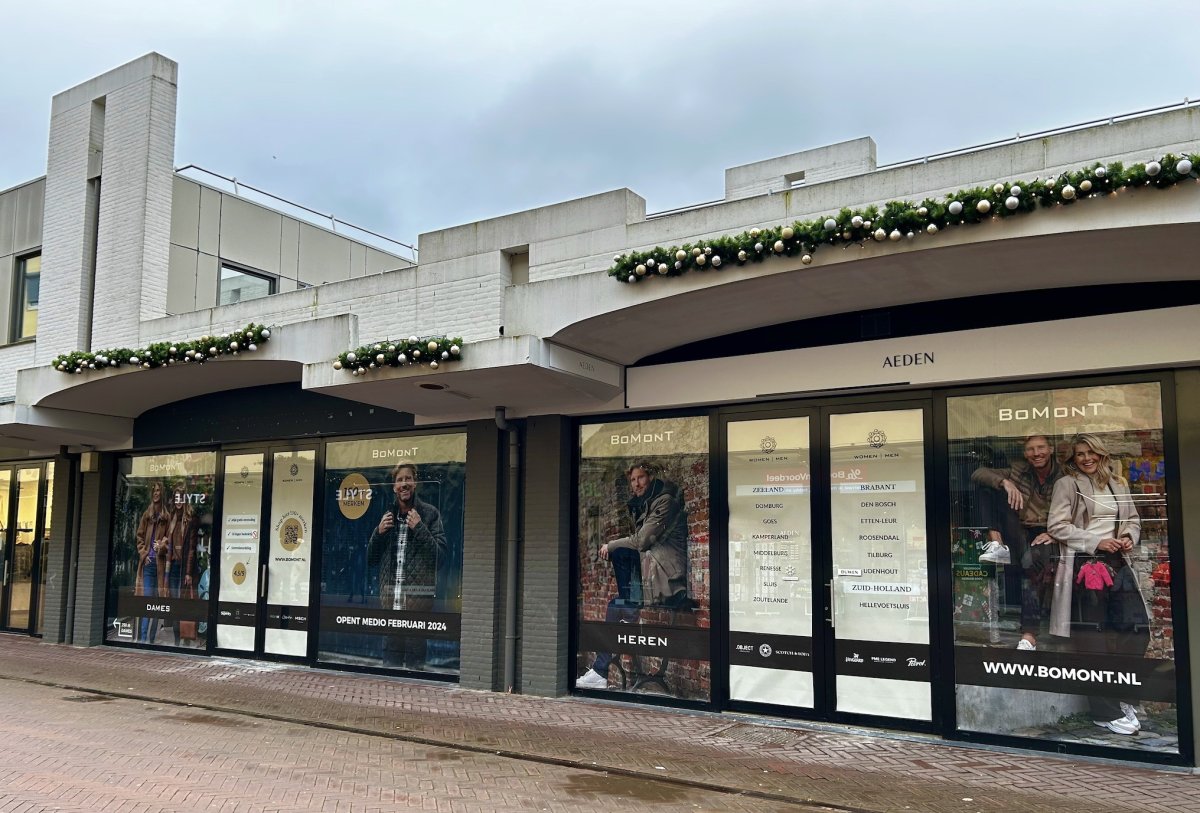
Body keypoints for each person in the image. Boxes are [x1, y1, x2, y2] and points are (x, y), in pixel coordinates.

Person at [1047, 433, 1148, 736]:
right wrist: (1096, 541)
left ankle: (1123, 695)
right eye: (1080, 454)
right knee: (1094, 640)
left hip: (1118, 562)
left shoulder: (1118, 483)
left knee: (1137, 629)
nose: (1086, 458)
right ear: (1073, 458)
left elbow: (1133, 519)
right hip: (1086, 564)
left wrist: (1128, 536)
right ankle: (1104, 712)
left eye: (1091, 453)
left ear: (1102, 455)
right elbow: (1056, 525)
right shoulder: (1067, 484)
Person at [576, 462, 688, 690]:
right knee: (614, 604)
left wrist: (610, 544)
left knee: (621, 552)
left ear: (651, 477)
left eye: (641, 478)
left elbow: (641, 541)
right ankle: (600, 671)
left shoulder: (664, 502)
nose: (636, 484)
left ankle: (628, 612)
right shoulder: (647, 504)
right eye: (633, 480)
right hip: (653, 574)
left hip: (668, 579)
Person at [971, 433, 1062, 650]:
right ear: (1025, 453)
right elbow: (978, 473)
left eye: (1041, 448)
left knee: (1033, 567)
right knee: (986, 487)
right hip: (1019, 529)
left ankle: (1029, 635)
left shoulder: (1063, 475)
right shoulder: (1018, 470)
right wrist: (1005, 482)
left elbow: (1076, 507)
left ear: (1050, 449)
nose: (1036, 453)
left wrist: (1056, 533)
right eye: (1031, 449)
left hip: (1048, 532)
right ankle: (996, 543)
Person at [366, 463, 446, 669]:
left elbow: (440, 560)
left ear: (415, 482)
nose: (404, 483)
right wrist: (378, 533)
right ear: (394, 486)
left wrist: (419, 528)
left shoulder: (430, 514)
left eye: (408, 478)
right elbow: (371, 560)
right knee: (389, 670)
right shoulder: (387, 516)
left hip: (416, 612)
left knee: (415, 672)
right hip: (390, 610)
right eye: (400, 480)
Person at [134, 481, 170, 643]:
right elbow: (139, 537)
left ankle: (151, 639)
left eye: (158, 491)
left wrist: (161, 546)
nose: (156, 493)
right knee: (147, 601)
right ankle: (143, 639)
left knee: (156, 603)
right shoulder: (146, 515)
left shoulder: (166, 517)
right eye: (154, 491)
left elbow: (168, 541)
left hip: (160, 566)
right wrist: (144, 553)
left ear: (162, 494)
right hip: (148, 565)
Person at [165, 481, 199, 645]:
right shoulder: (171, 518)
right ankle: (177, 639)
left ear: (185, 499)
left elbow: (192, 548)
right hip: (172, 566)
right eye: (176, 498)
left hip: (184, 567)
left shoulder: (190, 519)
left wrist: (188, 572)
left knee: (182, 602)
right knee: (174, 602)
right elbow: (168, 542)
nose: (178, 501)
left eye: (181, 498)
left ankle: (184, 637)